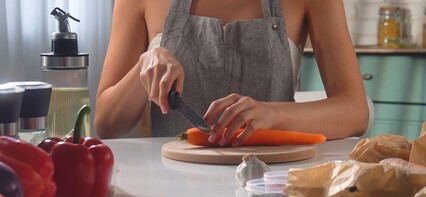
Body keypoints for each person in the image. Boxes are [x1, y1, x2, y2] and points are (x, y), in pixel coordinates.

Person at [94, 0, 370, 146]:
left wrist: (273, 115)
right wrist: (143, 67)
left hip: (271, 188)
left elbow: (354, 111)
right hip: (169, 189)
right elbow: (107, 125)